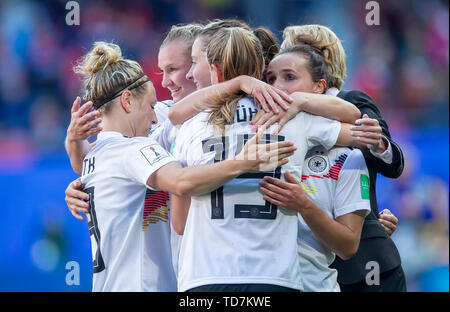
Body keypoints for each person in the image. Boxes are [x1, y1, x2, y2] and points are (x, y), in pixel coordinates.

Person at [70, 41, 296, 292]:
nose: (155, 118)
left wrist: (73, 141)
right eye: (151, 106)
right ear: (126, 101)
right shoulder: (134, 149)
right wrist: (243, 161)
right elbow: (181, 181)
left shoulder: (96, 155)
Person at [169, 27, 362, 292]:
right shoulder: (289, 113)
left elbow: (180, 224)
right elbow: (356, 126)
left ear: (215, 71)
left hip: (205, 275)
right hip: (275, 275)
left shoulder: (193, 123)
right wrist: (301, 101)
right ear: (262, 66)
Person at [278, 25, 406, 292]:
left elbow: (392, 163)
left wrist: (379, 143)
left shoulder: (351, 101)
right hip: (306, 267)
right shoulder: (278, 114)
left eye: (290, 53)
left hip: (363, 267)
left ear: (318, 62)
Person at [258, 43, 373, 291]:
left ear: (318, 88)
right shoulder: (253, 137)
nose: (277, 86)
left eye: (289, 77)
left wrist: (304, 205)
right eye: (270, 79)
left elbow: (347, 247)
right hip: (257, 286)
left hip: (314, 285)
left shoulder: (348, 157)